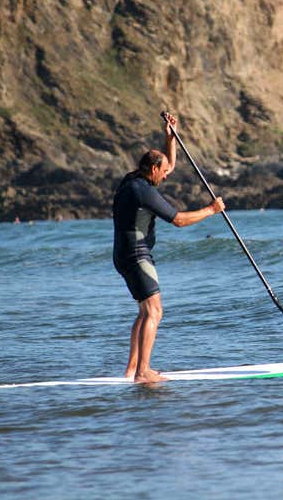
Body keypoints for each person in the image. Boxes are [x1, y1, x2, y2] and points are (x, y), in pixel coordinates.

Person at [113, 112, 225, 383]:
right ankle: (143, 372)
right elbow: (179, 220)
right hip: (137, 254)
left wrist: (169, 136)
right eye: (162, 173)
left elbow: (170, 163)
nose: (166, 176)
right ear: (153, 170)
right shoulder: (145, 192)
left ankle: (131, 370)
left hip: (122, 254)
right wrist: (211, 210)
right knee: (154, 311)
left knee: (144, 312)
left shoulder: (131, 180)